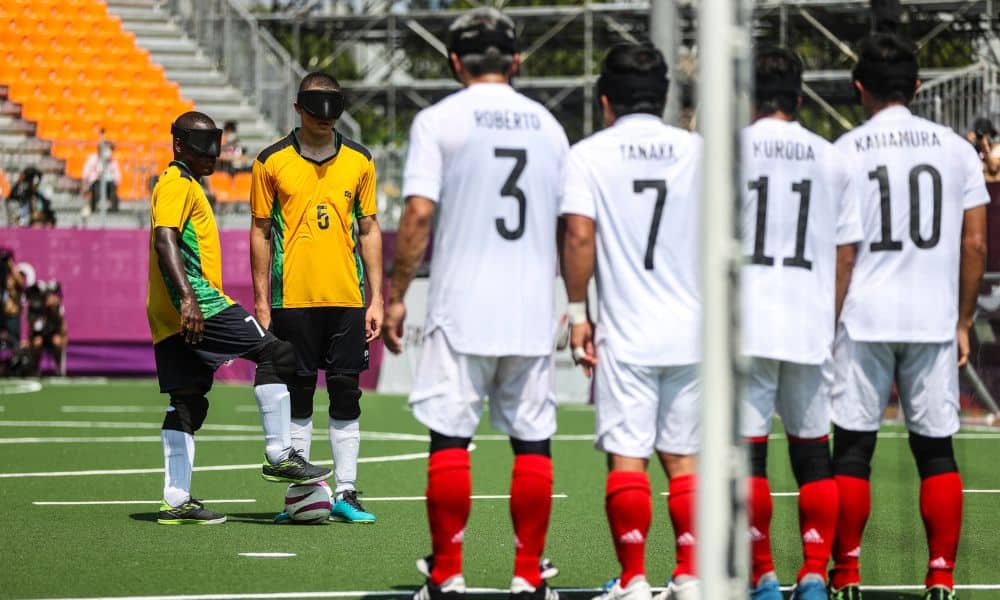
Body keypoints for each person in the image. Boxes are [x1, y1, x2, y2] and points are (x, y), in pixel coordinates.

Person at [383, 7, 569, 600]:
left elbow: (417, 215)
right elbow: (574, 225)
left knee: (449, 437)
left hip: (461, 306)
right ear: (515, 62)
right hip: (532, 307)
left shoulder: (439, 120)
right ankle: (528, 573)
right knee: (532, 442)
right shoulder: (549, 126)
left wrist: (394, 294)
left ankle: (446, 575)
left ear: (454, 60)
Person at [829, 34, 988, 600]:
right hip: (931, 317)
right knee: (937, 450)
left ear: (859, 89)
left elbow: (842, 251)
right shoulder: (956, 149)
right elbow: (975, 246)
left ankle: (846, 574)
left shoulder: (846, 149)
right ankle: (941, 574)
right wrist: (963, 320)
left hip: (864, 315)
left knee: (851, 449)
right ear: (918, 88)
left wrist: (830, 317)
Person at [559, 43, 701, 600]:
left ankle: (635, 579)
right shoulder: (697, 150)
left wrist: (577, 315)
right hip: (692, 328)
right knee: (684, 458)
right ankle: (690, 576)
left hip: (626, 329)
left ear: (605, 101)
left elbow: (577, 236)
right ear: (664, 95)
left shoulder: (589, 153)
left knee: (628, 456)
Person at [148, 111, 331, 525]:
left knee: (189, 401)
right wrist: (191, 300)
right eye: (201, 143)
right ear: (179, 145)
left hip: (166, 312)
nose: (212, 152)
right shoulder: (176, 183)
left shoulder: (181, 184)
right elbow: (165, 241)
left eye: (214, 141)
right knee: (277, 353)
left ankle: (175, 498)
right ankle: (279, 455)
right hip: (198, 305)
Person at [738, 46, 863, 600]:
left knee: (749, 455)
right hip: (809, 321)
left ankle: (762, 574)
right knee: (814, 452)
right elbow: (845, 253)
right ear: (798, 95)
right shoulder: (832, 157)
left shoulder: (728, 151)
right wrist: (828, 317)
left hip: (746, 322)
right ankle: (814, 573)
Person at [250, 72, 383, 524]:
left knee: (346, 392)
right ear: (297, 109)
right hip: (292, 300)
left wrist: (376, 298)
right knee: (299, 393)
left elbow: (368, 229)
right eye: (315, 112)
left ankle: (346, 491)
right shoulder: (270, 162)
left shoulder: (361, 161)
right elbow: (261, 232)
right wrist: (262, 300)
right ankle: (302, 495)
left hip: (346, 298)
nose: (324, 121)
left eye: (331, 113)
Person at [25, 279, 67, 376]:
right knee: (37, 342)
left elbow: (62, 325)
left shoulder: (56, 307)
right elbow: (32, 327)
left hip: (52, 334)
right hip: (40, 335)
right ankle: (35, 369)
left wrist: (64, 337)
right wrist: (28, 339)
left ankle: (59, 368)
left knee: (57, 340)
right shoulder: (35, 307)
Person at [82, 141, 122, 213]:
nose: (109, 152)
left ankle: (114, 209)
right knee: (96, 187)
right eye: (107, 149)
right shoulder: (93, 159)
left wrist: (112, 176)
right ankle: (93, 207)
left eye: (110, 150)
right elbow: (86, 174)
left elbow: (118, 178)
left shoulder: (113, 162)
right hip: (95, 183)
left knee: (113, 189)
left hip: (109, 185)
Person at [1, 248, 25, 349]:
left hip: (12, 312)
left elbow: (21, 283)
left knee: (14, 341)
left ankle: (16, 363)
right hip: (1, 312)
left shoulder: (15, 274)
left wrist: (11, 265)